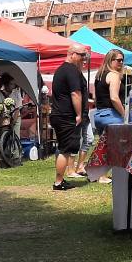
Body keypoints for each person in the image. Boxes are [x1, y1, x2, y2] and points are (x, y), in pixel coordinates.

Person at [50, 43, 89, 190]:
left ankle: (60, 180)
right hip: (67, 116)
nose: (83, 58)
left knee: (65, 148)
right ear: (72, 54)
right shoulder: (71, 70)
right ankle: (58, 182)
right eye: (81, 55)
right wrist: (79, 114)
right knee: (65, 150)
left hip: (61, 115)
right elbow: (75, 93)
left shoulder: (62, 70)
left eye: (85, 55)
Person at [92, 49, 127, 135]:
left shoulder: (99, 75)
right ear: (110, 60)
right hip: (112, 116)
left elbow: (94, 97)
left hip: (99, 116)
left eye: (122, 60)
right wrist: (124, 114)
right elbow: (114, 98)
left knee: (105, 147)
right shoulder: (114, 75)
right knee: (118, 146)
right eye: (118, 60)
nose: (121, 62)